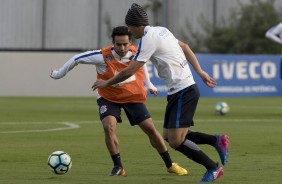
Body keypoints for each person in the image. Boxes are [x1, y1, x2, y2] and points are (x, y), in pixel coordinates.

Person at [92, 4, 229, 182]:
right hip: (178, 91)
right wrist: (200, 72)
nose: (130, 32)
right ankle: (216, 140)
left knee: (176, 141)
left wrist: (106, 82)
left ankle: (213, 168)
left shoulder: (147, 40)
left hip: (183, 90)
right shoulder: (162, 30)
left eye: (131, 28)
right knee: (168, 136)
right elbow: (185, 46)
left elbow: (128, 71)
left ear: (136, 26)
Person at [50, 26, 187, 177]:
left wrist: (149, 84)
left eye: (125, 44)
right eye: (118, 44)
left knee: (150, 129)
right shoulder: (102, 56)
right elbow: (76, 59)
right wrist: (58, 74)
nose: (122, 48)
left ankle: (170, 165)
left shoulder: (137, 52)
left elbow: (142, 67)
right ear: (112, 43)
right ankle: (118, 167)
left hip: (132, 96)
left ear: (130, 42)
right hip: (108, 98)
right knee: (109, 128)